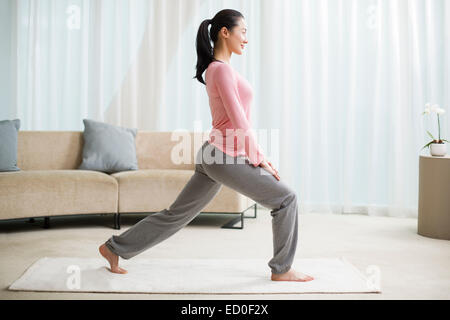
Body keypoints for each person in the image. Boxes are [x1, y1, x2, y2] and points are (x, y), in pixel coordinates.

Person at [99, 9, 314, 282]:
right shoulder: (220, 70)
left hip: (213, 155)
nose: (246, 38)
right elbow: (239, 121)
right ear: (225, 32)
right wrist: (260, 157)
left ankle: (113, 248)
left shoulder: (218, 69)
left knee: (175, 215)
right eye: (243, 31)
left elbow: (236, 120)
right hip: (223, 156)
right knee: (286, 199)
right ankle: (282, 269)